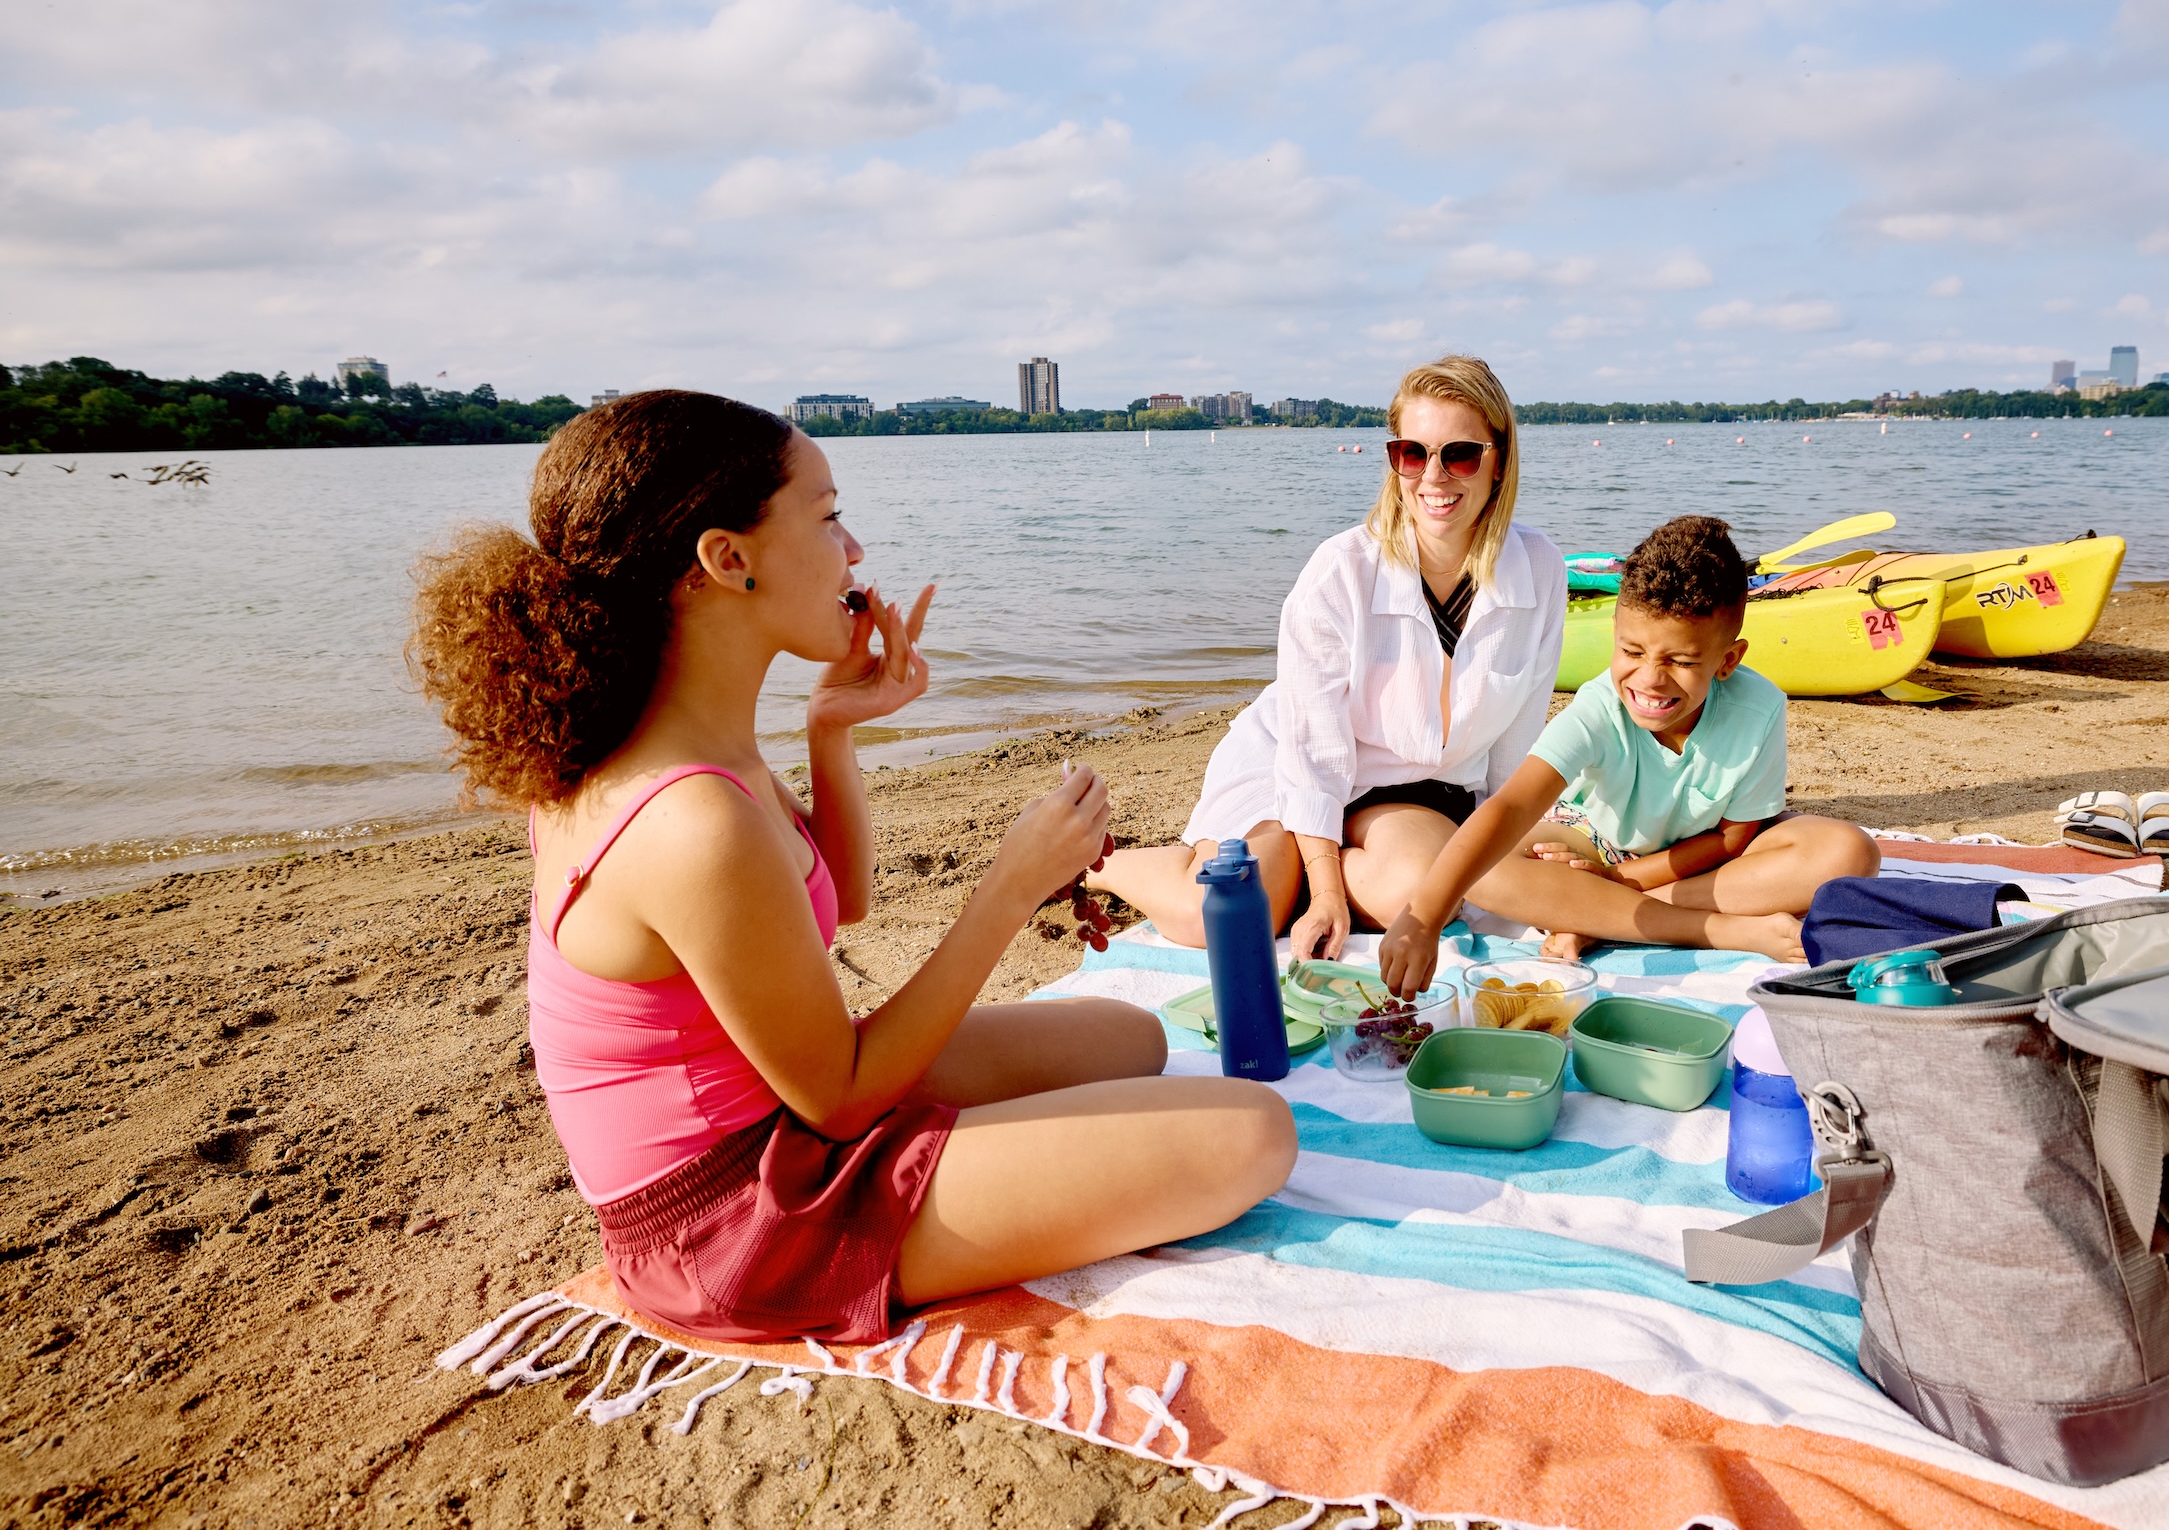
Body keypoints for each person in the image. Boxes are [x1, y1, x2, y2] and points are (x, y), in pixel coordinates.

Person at [407, 391, 1294, 1345]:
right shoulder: (688, 817)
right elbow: (842, 1092)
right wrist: (1011, 886)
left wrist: (830, 728)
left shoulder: (689, 745)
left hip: (783, 1122)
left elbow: (843, 900)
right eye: (828, 517)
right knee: (1253, 1134)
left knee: (1131, 1040)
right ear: (726, 559)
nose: (856, 550)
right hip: (737, 1225)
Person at [1094, 357, 1568, 959]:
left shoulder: (1540, 570)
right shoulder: (1339, 570)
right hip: (1291, 762)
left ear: (1498, 462)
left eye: (1461, 454)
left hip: (1413, 792)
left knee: (1423, 894)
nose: (1434, 477)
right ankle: (1099, 865)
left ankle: (1320, 873)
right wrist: (1324, 892)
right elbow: (1313, 754)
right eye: (1413, 454)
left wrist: (1506, 849)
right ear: (1394, 461)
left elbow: (1514, 753)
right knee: (1219, 918)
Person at [1377, 515, 1879, 992]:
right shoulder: (1599, 707)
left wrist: (1619, 882)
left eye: (1680, 661)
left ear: (1727, 660)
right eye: (1631, 652)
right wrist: (1423, 916)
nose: (1650, 679)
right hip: (1591, 838)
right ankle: (1718, 929)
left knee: (1851, 851)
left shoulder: (1759, 706)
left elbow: (1734, 839)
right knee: (1486, 870)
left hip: (1702, 857)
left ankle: (1600, 918)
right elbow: (1511, 806)